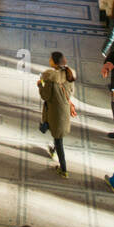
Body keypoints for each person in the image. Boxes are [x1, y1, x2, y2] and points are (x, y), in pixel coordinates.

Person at [37, 51, 77, 179]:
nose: (49, 60)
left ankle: (64, 169)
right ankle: (53, 150)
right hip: (64, 111)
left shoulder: (50, 78)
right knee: (57, 134)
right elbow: (71, 92)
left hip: (55, 114)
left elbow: (45, 96)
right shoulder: (69, 74)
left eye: (50, 59)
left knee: (58, 139)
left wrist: (40, 84)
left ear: (54, 62)